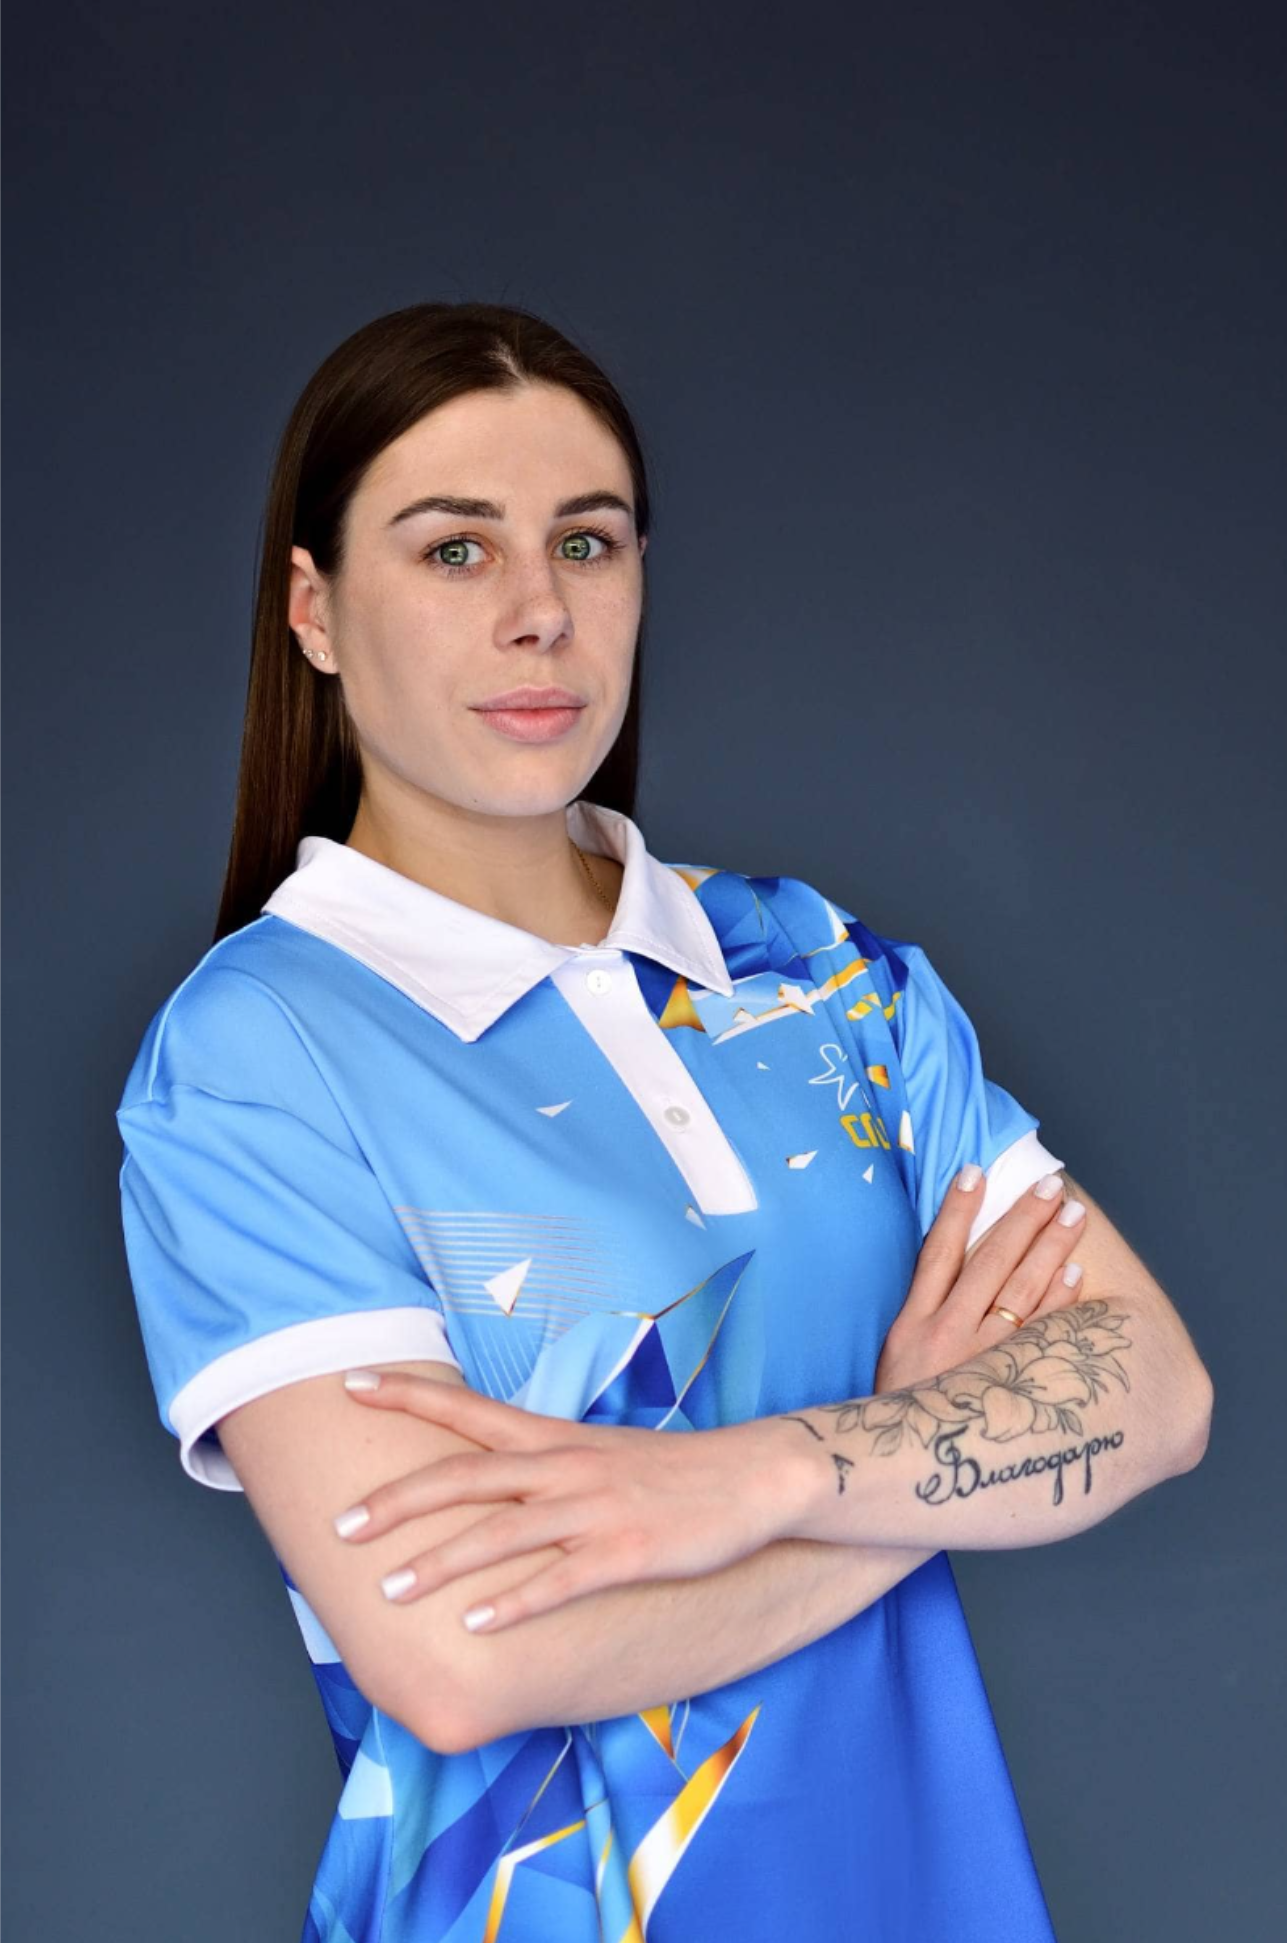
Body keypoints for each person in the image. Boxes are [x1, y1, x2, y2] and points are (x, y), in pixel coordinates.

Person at [113, 300, 1213, 1943]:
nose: (540, 613)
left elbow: (1152, 1390)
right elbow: (458, 1656)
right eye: (455, 551)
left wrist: (762, 1473)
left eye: (587, 541)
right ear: (314, 610)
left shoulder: (815, 968)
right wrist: (899, 1466)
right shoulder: (258, 1053)